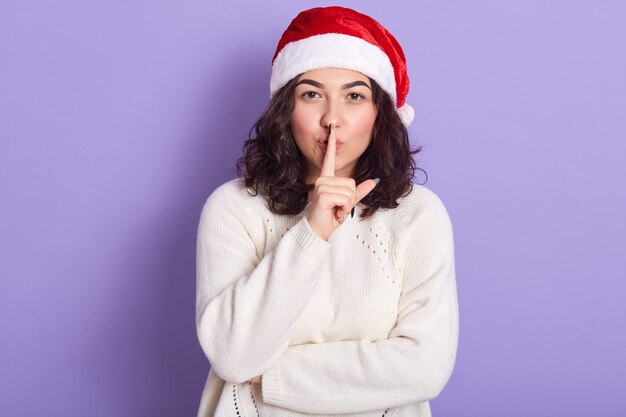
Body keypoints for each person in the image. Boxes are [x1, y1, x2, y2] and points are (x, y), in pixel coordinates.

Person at [195, 6, 459, 417]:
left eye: (354, 96)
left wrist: (275, 377)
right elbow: (233, 356)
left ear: (379, 114)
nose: (331, 119)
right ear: (287, 109)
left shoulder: (419, 215)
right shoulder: (232, 209)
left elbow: (426, 366)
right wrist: (312, 232)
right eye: (311, 94)